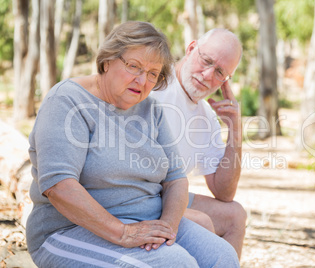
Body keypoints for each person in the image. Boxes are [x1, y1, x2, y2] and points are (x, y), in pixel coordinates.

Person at [26, 21, 240, 268]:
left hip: (148, 219)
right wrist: (123, 232)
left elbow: (176, 178)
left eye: (152, 74)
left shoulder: (151, 109)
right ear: (107, 60)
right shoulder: (67, 100)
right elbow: (59, 186)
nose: (142, 80)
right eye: (134, 66)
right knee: (175, 264)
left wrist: (169, 227)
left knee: (223, 257)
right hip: (67, 230)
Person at [150, 28, 247, 258]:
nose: (207, 76)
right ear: (191, 48)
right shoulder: (153, 83)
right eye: (206, 61)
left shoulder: (207, 117)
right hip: (139, 197)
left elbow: (224, 192)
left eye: (220, 72)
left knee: (235, 215)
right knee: (202, 222)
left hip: (171, 197)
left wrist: (235, 130)